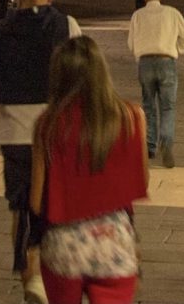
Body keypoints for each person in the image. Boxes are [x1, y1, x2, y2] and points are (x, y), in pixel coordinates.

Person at [0, 0, 81, 304]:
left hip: (15, 134)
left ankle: (31, 278)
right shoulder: (66, 26)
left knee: (21, 207)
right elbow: (81, 73)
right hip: (57, 133)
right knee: (59, 206)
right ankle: (59, 275)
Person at [30, 36, 149, 304]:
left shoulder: (46, 124)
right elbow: (139, 180)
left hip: (64, 244)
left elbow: (37, 202)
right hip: (113, 241)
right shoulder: (132, 117)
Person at [127, 0, 184, 169]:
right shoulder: (172, 13)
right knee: (168, 107)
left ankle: (150, 145)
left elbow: (131, 43)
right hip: (166, 61)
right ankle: (167, 142)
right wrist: (177, 49)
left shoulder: (138, 15)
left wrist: (140, 52)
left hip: (145, 62)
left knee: (148, 105)